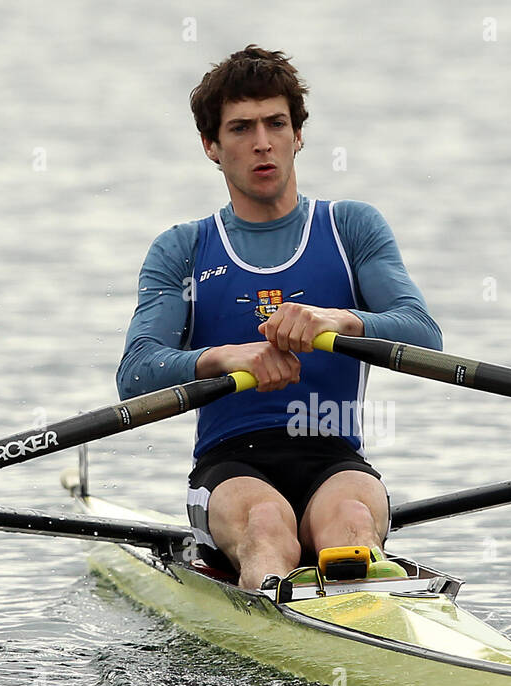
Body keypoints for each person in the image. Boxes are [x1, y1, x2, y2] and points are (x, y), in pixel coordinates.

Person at [117, 45, 441, 590]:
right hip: (229, 469)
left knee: (352, 524)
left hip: (335, 459)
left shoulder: (352, 228)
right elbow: (136, 374)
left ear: (298, 135)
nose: (262, 142)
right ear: (211, 147)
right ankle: (280, 634)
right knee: (268, 528)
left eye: (276, 123)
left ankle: (351, 623)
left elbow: (423, 337)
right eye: (241, 128)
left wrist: (342, 322)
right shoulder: (183, 249)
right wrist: (219, 357)